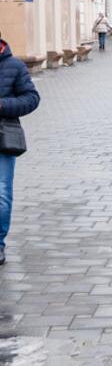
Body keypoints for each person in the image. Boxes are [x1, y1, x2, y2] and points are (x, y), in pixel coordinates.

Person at [0, 33, 41, 266]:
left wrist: (3, 105)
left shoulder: (14, 65)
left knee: (2, 194)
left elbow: (32, 98)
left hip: (3, 138)